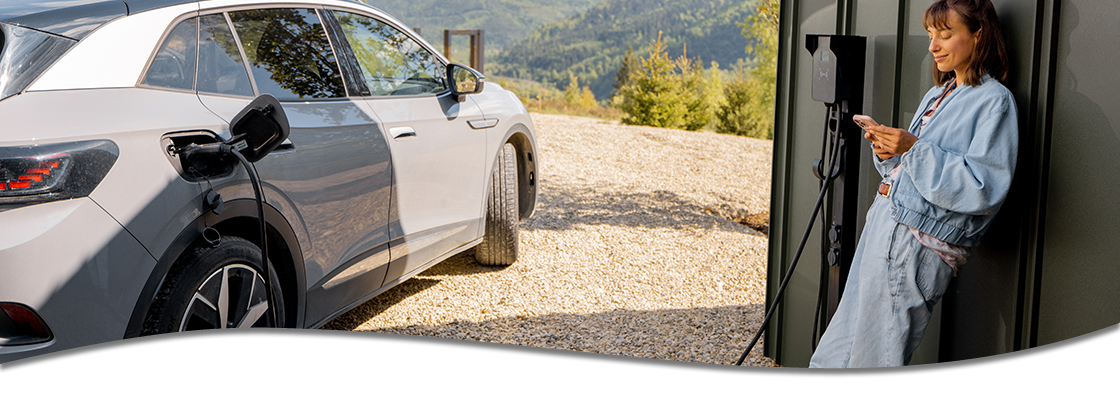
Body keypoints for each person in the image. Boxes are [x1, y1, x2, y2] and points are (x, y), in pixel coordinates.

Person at [809, 0, 1017, 368]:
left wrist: (913, 149)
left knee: (875, 356)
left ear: (978, 34)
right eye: (930, 35)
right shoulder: (938, 94)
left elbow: (982, 188)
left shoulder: (994, 102)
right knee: (837, 348)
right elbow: (907, 171)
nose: (933, 46)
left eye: (945, 35)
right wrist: (888, 149)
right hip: (883, 226)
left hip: (918, 244)